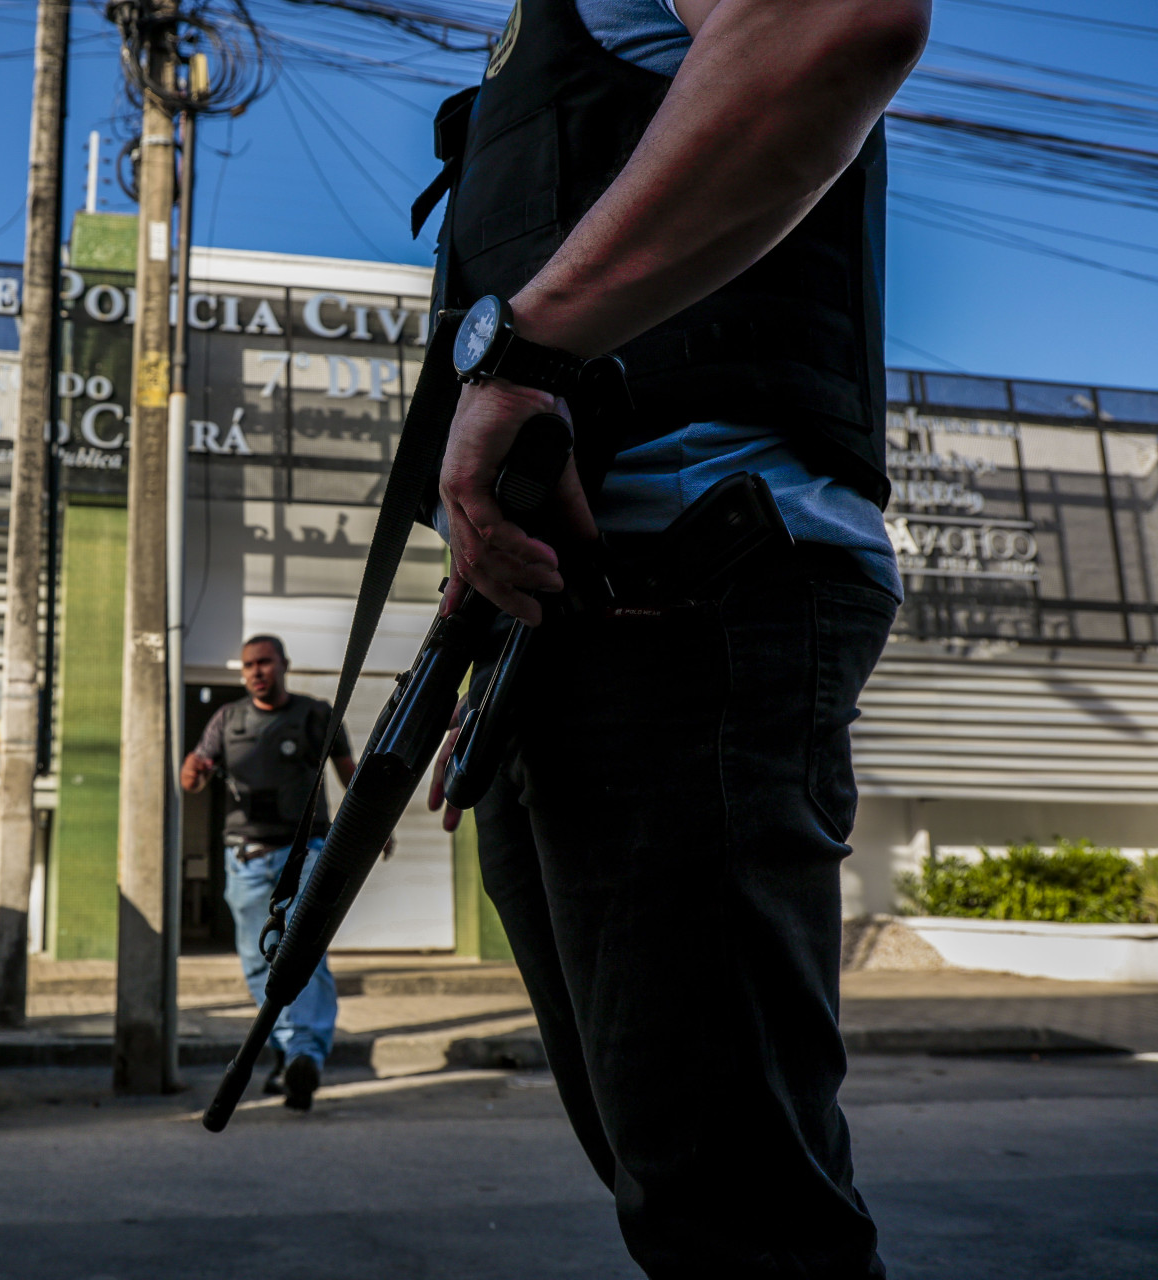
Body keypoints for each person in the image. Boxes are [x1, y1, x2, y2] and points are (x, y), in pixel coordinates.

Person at [416, 0, 929, 1275]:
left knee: (736, 1218)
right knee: (677, 1190)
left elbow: (841, 19)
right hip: (579, 624)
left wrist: (529, 347)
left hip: (694, 586)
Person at [181, 634, 355, 1112]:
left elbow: (351, 775)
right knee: (259, 961)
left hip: (306, 855)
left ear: (284, 665)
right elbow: (193, 775)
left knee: (305, 955)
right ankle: (284, 1051)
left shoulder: (316, 715)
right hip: (246, 859)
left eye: (265, 662)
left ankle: (306, 1056)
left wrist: (371, 828)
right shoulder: (228, 720)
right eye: (249, 665)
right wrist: (192, 770)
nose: (257, 671)